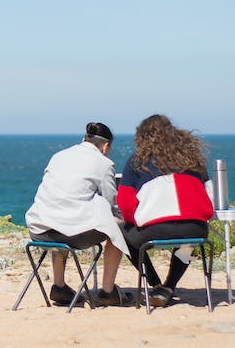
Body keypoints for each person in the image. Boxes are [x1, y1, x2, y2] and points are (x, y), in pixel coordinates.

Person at [25, 122, 132, 307]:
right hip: (69, 234)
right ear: (106, 146)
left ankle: (59, 286)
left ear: (84, 139)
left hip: (38, 229)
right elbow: (112, 203)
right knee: (118, 227)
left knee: (60, 219)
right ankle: (108, 291)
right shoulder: (104, 163)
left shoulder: (58, 156)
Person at [117, 114, 215, 308]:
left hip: (154, 231)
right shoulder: (193, 160)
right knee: (187, 243)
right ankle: (168, 287)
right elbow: (210, 197)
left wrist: (136, 221)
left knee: (121, 234)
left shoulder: (137, 161)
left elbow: (126, 206)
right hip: (195, 230)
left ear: (143, 137)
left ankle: (154, 284)